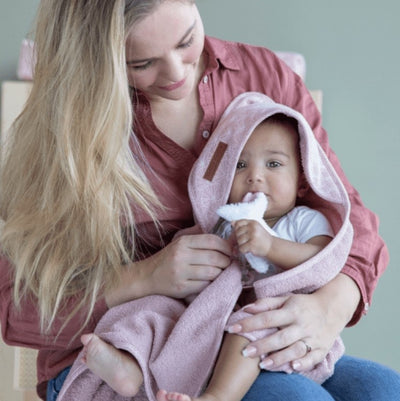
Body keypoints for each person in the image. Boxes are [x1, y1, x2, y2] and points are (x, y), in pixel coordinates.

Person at [0, 1, 399, 400]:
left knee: (384, 390)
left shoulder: (263, 78)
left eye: (187, 40)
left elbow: (348, 217)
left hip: (242, 332)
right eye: (142, 63)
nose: (176, 73)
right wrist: (145, 277)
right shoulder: (65, 133)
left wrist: (330, 306)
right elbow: (13, 308)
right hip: (129, 351)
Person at [79, 112, 336, 400]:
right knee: (155, 313)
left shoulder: (304, 220)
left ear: (302, 182)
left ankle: (217, 396)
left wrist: (270, 246)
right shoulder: (226, 221)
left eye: (273, 164)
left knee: (248, 327)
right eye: (240, 165)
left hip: (269, 315)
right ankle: (130, 368)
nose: (255, 176)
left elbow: (321, 260)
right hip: (210, 314)